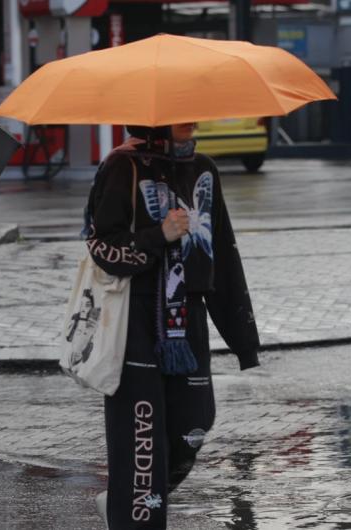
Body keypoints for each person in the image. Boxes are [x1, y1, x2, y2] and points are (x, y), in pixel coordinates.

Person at [84, 124, 261, 529]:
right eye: (181, 110)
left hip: (189, 321)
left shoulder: (203, 168)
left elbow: (223, 253)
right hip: (136, 320)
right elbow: (102, 247)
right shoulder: (120, 166)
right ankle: (133, 516)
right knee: (141, 437)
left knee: (194, 424)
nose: (193, 117)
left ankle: (122, 501)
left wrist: (243, 340)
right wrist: (158, 236)